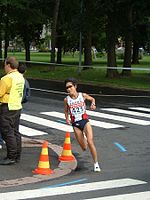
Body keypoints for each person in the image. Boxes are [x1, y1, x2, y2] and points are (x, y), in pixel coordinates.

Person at [64, 77, 101, 172]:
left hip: (84, 121)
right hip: (75, 124)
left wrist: (93, 104)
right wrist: (66, 119)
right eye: (67, 88)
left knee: (90, 141)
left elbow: (92, 99)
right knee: (84, 147)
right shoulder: (66, 100)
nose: (69, 89)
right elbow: (66, 111)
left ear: (75, 86)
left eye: (70, 86)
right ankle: (84, 137)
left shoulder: (82, 95)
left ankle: (96, 163)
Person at [0, 57, 25, 165]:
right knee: (15, 132)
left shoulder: (6, 78)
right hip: (17, 106)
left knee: (7, 132)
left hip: (7, 107)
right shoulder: (20, 77)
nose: (4, 67)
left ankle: (11, 156)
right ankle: (17, 155)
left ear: (8, 65)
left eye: (4, 65)